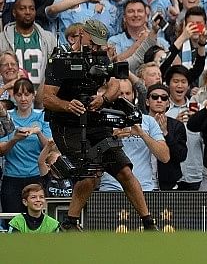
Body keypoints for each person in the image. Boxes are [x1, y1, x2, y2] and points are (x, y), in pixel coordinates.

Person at [42, 19, 158, 231]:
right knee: (91, 170)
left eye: (99, 44)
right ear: (81, 33)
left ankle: (148, 222)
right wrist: (68, 105)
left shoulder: (101, 57)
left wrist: (103, 100)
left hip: (94, 117)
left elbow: (114, 83)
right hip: (67, 124)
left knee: (124, 169)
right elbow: (47, 98)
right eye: (93, 42)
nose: (96, 47)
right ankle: (71, 221)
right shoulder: (60, 58)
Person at [99, 79, 169, 192]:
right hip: (111, 188)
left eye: (128, 93)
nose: (124, 97)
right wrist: (113, 137)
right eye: (120, 93)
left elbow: (165, 157)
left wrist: (142, 133)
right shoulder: (101, 120)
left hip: (143, 188)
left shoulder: (148, 121)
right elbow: (92, 155)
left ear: (133, 95)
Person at [0, 78, 51, 213]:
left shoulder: (41, 116)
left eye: (27, 94)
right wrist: (14, 140)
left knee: (37, 218)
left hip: (36, 176)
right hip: (12, 177)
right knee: (11, 219)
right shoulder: (7, 117)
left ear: (33, 95)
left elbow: (50, 147)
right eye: (19, 95)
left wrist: (39, 133)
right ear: (14, 96)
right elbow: (1, 150)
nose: (23, 99)